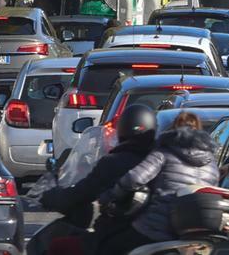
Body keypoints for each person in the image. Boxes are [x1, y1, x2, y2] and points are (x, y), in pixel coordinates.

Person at [40, 105, 158, 252]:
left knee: (59, 246)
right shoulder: (159, 161)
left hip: (115, 237)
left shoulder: (114, 162)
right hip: (150, 238)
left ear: (122, 129)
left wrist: (52, 197)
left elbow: (82, 192)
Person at [100, 111, 220, 254]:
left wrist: (111, 195)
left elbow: (134, 178)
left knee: (108, 246)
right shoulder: (211, 163)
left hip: (156, 229)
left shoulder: (164, 152)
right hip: (193, 237)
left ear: (175, 129)